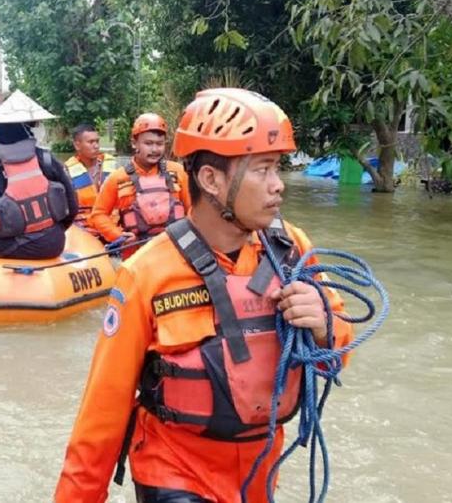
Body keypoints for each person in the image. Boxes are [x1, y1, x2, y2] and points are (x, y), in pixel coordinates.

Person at [55, 88, 355, 503]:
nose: (278, 187)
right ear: (211, 179)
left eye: (278, 168)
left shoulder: (293, 249)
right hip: (173, 467)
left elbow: (338, 353)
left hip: (257, 472)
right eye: (262, 170)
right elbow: (102, 412)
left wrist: (324, 326)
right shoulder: (145, 272)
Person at [0, 116, 78, 259]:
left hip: (5, 245)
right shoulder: (46, 158)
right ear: (26, 129)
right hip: (52, 245)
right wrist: (56, 231)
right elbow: (73, 206)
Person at [88, 113, 189, 255]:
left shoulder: (178, 172)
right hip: (135, 254)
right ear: (134, 143)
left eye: (159, 144)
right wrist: (117, 235)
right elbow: (98, 214)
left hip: (175, 250)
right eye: (148, 143)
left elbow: (193, 210)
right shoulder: (117, 178)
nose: (155, 149)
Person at [63, 124, 117, 236]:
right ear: (77, 145)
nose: (96, 146)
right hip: (85, 233)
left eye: (97, 141)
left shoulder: (113, 166)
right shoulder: (66, 172)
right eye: (91, 142)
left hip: (113, 229)